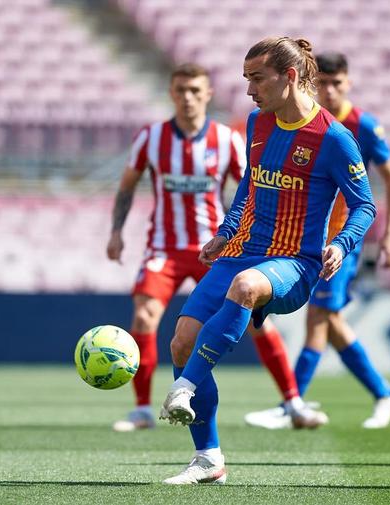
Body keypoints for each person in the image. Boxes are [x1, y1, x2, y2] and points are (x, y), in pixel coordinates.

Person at [157, 37, 377, 485]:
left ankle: (185, 386)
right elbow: (249, 188)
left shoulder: (334, 138)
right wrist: (224, 234)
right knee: (182, 341)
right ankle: (208, 459)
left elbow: (364, 206)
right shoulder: (257, 123)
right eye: (246, 80)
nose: (249, 90)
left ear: (290, 76)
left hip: (295, 263)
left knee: (245, 290)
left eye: (257, 79)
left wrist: (342, 243)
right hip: (241, 251)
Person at [106, 63, 306, 433]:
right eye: (181, 90)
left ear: (207, 94)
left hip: (216, 249)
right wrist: (116, 231)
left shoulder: (226, 139)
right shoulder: (151, 138)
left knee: (256, 323)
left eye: (195, 91)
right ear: (171, 93)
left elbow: (253, 187)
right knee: (144, 318)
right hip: (164, 249)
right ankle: (142, 410)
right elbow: (127, 185)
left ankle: (293, 400)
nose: (188, 98)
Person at [244, 52, 390, 430]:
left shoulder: (360, 126)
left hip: (338, 244)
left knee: (318, 318)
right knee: (330, 323)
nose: (330, 91)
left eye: (338, 83)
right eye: (324, 83)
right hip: (306, 240)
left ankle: (292, 402)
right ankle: (385, 393)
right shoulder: (298, 120)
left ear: (348, 83)